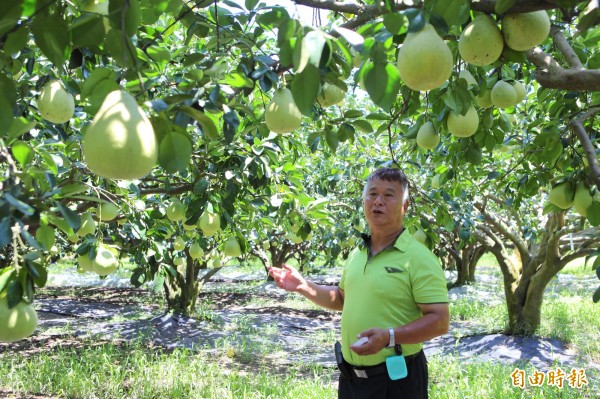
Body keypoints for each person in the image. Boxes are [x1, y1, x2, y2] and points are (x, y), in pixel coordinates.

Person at [268, 167, 449, 399]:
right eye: (372, 194)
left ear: (405, 207)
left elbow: (440, 321)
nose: (378, 201)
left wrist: (390, 336)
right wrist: (304, 286)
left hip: (395, 381)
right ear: (364, 201)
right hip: (352, 379)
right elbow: (342, 298)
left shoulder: (418, 258)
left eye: (389, 195)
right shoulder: (358, 252)